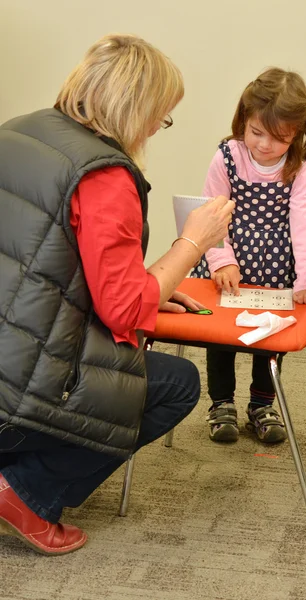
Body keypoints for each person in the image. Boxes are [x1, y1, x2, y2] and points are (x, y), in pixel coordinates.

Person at [0, 33, 234, 555]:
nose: (157, 129)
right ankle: (24, 492)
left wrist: (152, 283)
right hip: (14, 400)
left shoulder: (19, 132)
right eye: (160, 115)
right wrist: (192, 242)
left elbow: (43, 264)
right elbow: (124, 310)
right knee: (176, 384)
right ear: (136, 107)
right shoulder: (103, 175)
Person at [191, 67, 306, 444]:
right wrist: (221, 260)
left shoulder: (301, 168)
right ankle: (221, 403)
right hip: (228, 259)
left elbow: (305, 226)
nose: (264, 145)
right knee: (221, 336)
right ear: (243, 121)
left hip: (277, 264)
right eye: (256, 133)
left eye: (278, 138)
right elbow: (210, 216)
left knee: (271, 336)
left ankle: (262, 404)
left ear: (296, 132)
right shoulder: (227, 158)